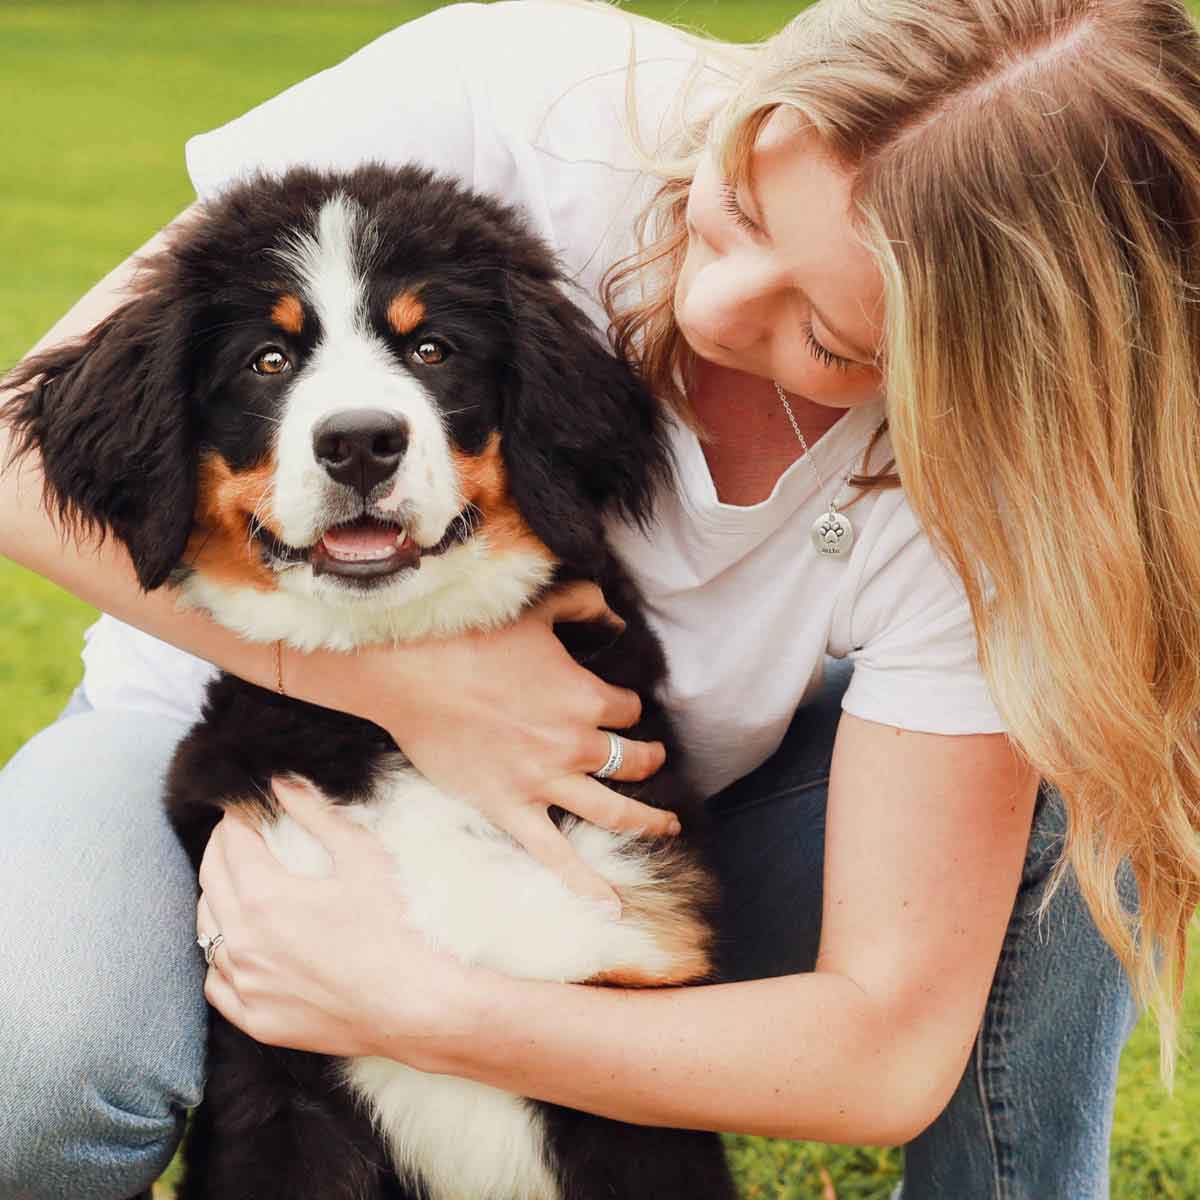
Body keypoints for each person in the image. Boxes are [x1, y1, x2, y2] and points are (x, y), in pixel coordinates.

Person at [2, 0, 1193, 1195]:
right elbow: (19, 459)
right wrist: (404, 687)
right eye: (733, 209)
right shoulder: (518, 97)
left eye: (828, 335)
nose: (715, 312)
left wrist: (420, 1004)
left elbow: (880, 1054)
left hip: (655, 828)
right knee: (30, 1055)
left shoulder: (1004, 492)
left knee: (1088, 749)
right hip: (209, 699)